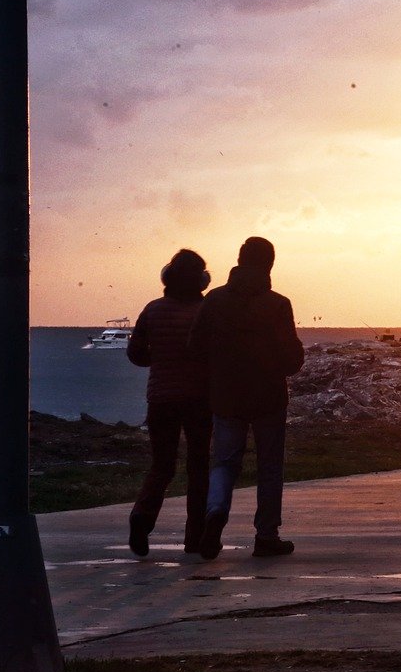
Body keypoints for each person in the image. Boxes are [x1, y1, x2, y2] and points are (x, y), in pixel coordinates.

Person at [188, 236, 305, 560]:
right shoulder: (278, 304)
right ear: (269, 265)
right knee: (269, 466)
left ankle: (215, 511)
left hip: (226, 395)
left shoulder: (214, 300)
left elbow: (195, 347)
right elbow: (292, 360)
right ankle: (266, 535)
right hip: (268, 396)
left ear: (239, 260)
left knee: (224, 462)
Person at [126, 249, 212, 557]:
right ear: (202, 279)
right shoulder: (206, 311)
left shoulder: (152, 309)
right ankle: (195, 537)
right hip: (200, 399)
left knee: (162, 465)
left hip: (160, 398)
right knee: (199, 467)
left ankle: (142, 516)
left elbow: (136, 354)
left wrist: (160, 359)